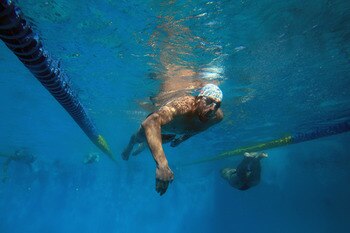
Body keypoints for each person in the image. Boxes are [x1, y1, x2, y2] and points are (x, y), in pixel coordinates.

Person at [122, 83, 224, 195]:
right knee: (136, 138)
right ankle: (129, 147)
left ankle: (145, 146)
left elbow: (198, 128)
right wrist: (162, 165)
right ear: (198, 99)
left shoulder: (217, 117)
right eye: (209, 101)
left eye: (217, 105)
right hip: (158, 127)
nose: (212, 109)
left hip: (171, 133)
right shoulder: (183, 107)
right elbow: (151, 121)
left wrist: (182, 139)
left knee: (155, 142)